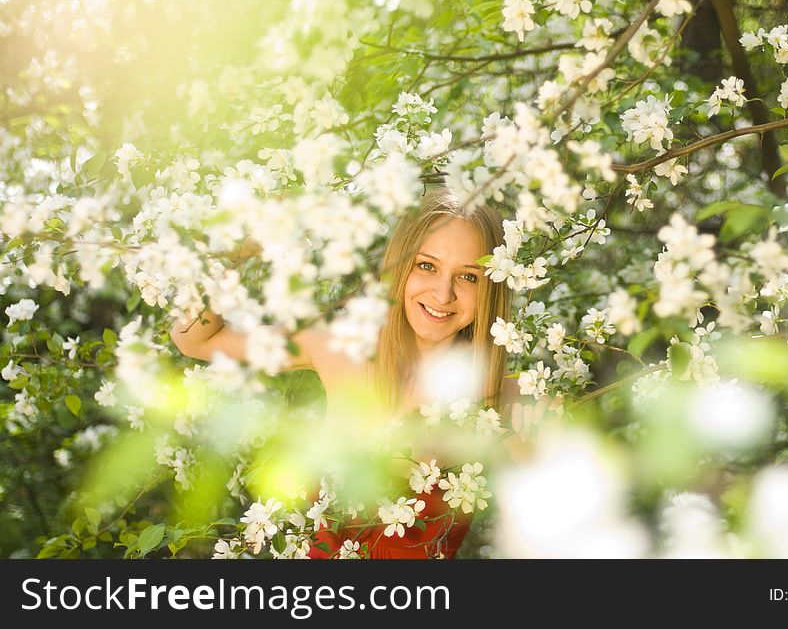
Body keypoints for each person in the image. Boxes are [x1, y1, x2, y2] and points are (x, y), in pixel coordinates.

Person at [170, 187, 537, 558]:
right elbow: (196, 340)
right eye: (426, 265)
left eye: (469, 277)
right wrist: (233, 251)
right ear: (401, 266)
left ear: (492, 286)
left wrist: (532, 440)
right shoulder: (341, 345)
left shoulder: (501, 399)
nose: (443, 294)